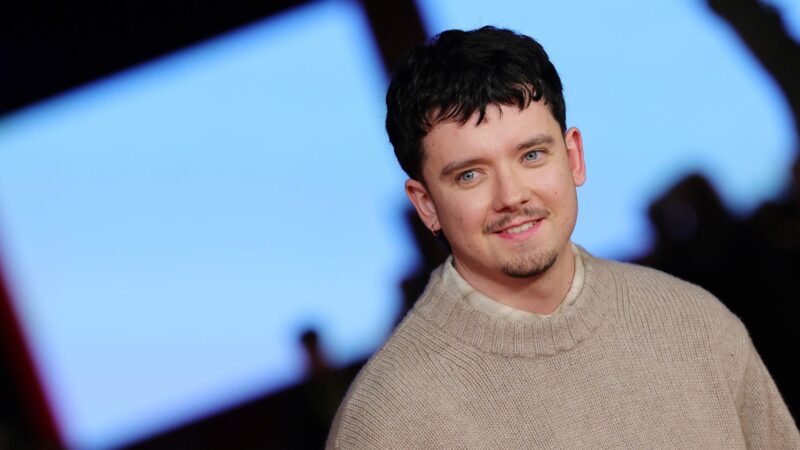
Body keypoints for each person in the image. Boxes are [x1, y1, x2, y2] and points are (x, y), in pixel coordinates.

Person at [326, 26, 800, 448]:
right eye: (470, 175)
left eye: (531, 155)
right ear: (427, 204)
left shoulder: (695, 324)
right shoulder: (388, 423)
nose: (512, 196)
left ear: (573, 157)